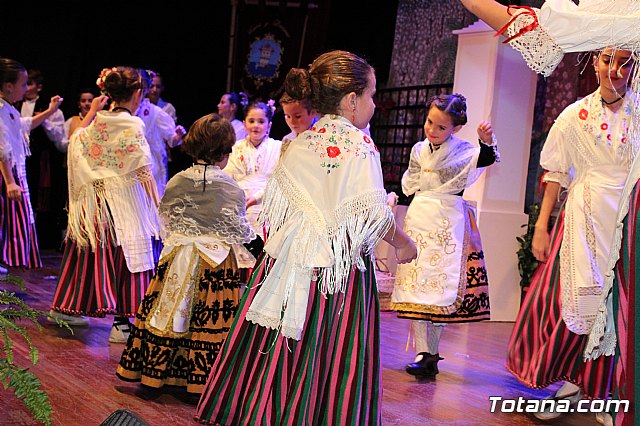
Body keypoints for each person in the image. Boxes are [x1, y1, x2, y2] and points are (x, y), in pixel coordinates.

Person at [195, 50, 417, 425]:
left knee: (277, 336)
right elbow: (372, 214)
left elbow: (285, 205)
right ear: (351, 100)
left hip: (287, 257)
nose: (374, 104)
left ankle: (260, 409)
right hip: (337, 270)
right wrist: (404, 243)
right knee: (326, 343)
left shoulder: (301, 142)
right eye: (372, 95)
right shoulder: (360, 145)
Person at [459, 2, 640, 424]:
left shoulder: (639, 113)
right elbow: (555, 175)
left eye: (624, 61)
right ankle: (571, 379)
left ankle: (613, 388)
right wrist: (541, 228)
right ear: (593, 62)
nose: (614, 69)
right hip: (584, 217)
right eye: (606, 59)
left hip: (627, 216)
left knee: (622, 304)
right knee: (571, 302)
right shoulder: (573, 116)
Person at [116, 113, 255, 393]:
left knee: (171, 312)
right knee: (205, 318)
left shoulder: (178, 180)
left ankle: (158, 374)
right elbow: (238, 230)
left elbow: (166, 218)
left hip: (179, 256)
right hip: (214, 264)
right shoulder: (230, 187)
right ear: (224, 151)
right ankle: (200, 381)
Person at [390, 93, 499, 379]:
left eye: (441, 127)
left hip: (446, 223)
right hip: (419, 220)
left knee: (438, 289)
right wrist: (393, 197)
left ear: (455, 128)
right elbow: (410, 185)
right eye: (429, 123)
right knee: (418, 288)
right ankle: (425, 353)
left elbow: (484, 158)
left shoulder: (463, 150)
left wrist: (485, 141)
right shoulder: (418, 150)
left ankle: (430, 353)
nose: (432, 130)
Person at [49, 66, 160, 341]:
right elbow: (143, 168)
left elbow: (76, 141)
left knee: (95, 252)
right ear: (137, 94)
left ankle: (72, 309)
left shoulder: (98, 121)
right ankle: (122, 323)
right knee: (130, 256)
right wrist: (158, 208)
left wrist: (90, 113)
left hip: (98, 202)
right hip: (124, 200)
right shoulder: (132, 123)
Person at [0, 59, 63, 270]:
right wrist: (9, 181)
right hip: (6, 173)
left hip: (13, 171)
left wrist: (51, 110)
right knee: (5, 218)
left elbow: (24, 125)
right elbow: (2, 148)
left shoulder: (9, 109)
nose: (26, 88)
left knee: (12, 220)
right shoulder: (0, 110)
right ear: (9, 86)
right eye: (23, 84)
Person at [222, 101, 281, 258]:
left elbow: (278, 180)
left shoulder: (278, 148)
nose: (256, 126)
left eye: (261, 121)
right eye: (251, 121)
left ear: (269, 125)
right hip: (240, 203)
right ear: (244, 123)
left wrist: (257, 197)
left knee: (261, 250)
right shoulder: (235, 148)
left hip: (266, 203)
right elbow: (228, 176)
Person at [18, 69, 67, 251]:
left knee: (38, 198)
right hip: (19, 158)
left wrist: (45, 118)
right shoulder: (14, 104)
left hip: (39, 160)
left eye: (28, 84)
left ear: (38, 87)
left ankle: (33, 240)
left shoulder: (50, 109)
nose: (25, 88)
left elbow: (58, 137)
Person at [137, 69, 185, 199]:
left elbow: (172, 139)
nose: (154, 90)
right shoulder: (129, 110)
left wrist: (178, 135)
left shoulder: (157, 111)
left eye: (157, 86)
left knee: (151, 196)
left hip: (152, 159)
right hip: (132, 159)